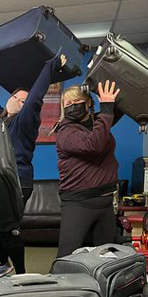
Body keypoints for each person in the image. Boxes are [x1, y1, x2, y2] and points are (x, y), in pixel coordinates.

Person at [0, 54, 66, 276]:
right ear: (10, 99)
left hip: (20, 180)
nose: (23, 103)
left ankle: (21, 274)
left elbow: (36, 96)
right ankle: (3, 263)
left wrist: (50, 66)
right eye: (19, 99)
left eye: (25, 101)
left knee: (10, 229)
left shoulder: (26, 121)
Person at [54, 80, 120, 258]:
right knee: (67, 256)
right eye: (68, 104)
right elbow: (93, 146)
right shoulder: (66, 132)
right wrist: (106, 108)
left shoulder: (97, 124)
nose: (73, 106)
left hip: (106, 202)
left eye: (77, 101)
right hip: (79, 203)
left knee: (107, 258)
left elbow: (116, 110)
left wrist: (107, 98)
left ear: (88, 103)